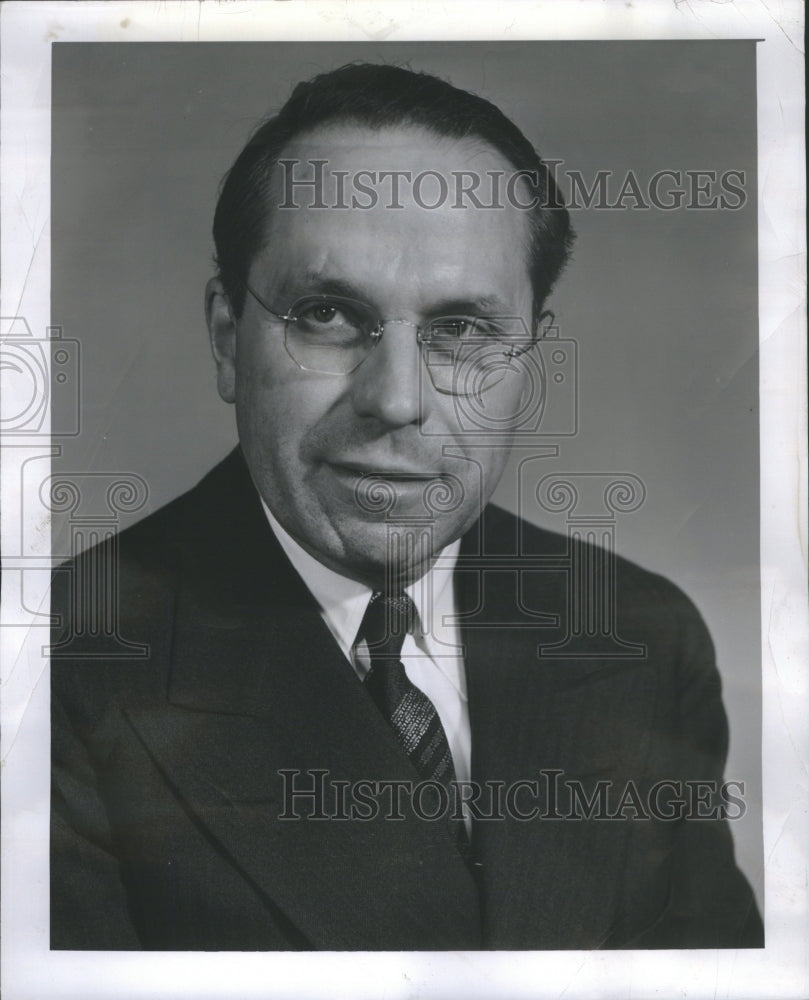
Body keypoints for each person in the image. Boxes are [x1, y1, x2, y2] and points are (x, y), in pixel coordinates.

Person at [50, 63, 763, 951]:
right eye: (325, 314)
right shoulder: (55, 675)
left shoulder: (643, 639)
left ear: (529, 361)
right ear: (228, 338)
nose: (396, 400)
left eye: (462, 330)